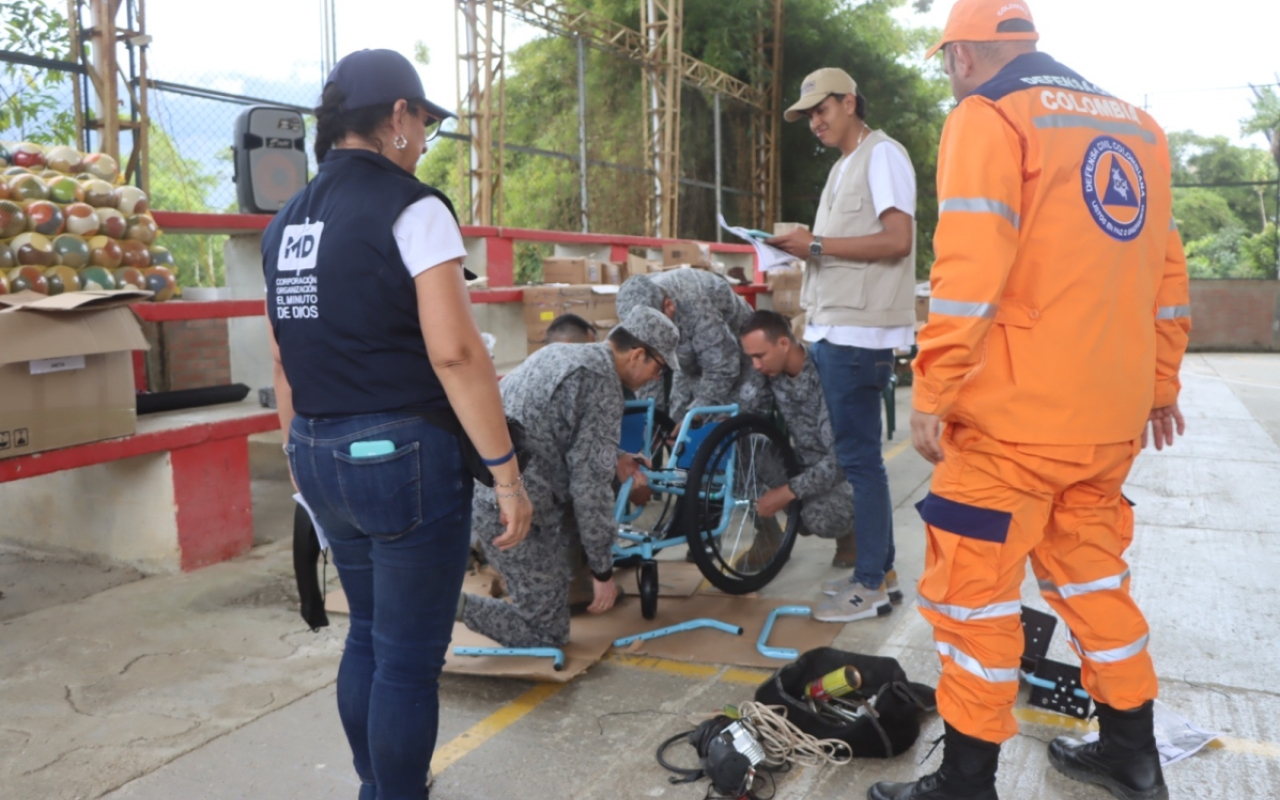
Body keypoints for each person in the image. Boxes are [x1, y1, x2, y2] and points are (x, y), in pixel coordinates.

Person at [871, 2, 1190, 799]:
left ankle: (967, 784)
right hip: (1108, 422)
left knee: (971, 604)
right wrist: (1159, 387)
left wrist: (933, 390)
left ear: (961, 58)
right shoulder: (1141, 130)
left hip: (1013, 426)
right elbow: (1168, 276)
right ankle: (1131, 753)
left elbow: (970, 268)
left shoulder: (991, 115)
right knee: (1093, 584)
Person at [262, 50, 532, 800]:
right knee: (409, 659)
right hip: (400, 460)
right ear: (398, 117)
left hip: (317, 450)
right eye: (424, 123)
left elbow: (284, 360)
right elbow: (455, 353)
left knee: (370, 641)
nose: (423, 140)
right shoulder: (415, 209)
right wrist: (506, 475)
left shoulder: (285, 223)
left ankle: (374, 787)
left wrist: (298, 461)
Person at [768, 67, 917, 620]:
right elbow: (833, 250)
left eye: (822, 108)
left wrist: (818, 243)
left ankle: (871, 584)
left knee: (861, 464)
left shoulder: (883, 156)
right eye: (808, 114)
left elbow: (898, 240)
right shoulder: (845, 167)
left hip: (860, 333)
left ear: (850, 101)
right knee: (859, 461)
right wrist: (801, 249)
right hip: (835, 327)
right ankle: (884, 572)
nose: (815, 120)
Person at [461, 307, 679, 648]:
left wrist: (615, 459)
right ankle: (441, 606)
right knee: (548, 634)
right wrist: (603, 570)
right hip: (515, 509)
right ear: (638, 354)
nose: (656, 378)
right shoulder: (603, 386)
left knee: (550, 597)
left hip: (487, 490)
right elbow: (589, 489)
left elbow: (550, 434)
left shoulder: (558, 353)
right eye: (659, 368)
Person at [737, 311, 870, 583]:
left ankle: (853, 530)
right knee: (739, 445)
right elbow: (747, 413)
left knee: (817, 519)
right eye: (751, 357)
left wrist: (787, 493)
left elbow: (840, 461)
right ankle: (768, 534)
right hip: (801, 459)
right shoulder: (769, 370)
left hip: (843, 473)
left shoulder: (827, 375)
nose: (756, 365)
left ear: (784, 343)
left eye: (760, 355)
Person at [616, 267, 767, 422]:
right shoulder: (637, 313)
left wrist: (697, 415)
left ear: (669, 306)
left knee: (721, 423)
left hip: (740, 356)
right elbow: (647, 374)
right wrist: (651, 423)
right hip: (689, 361)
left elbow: (724, 367)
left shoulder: (695, 303)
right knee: (676, 421)